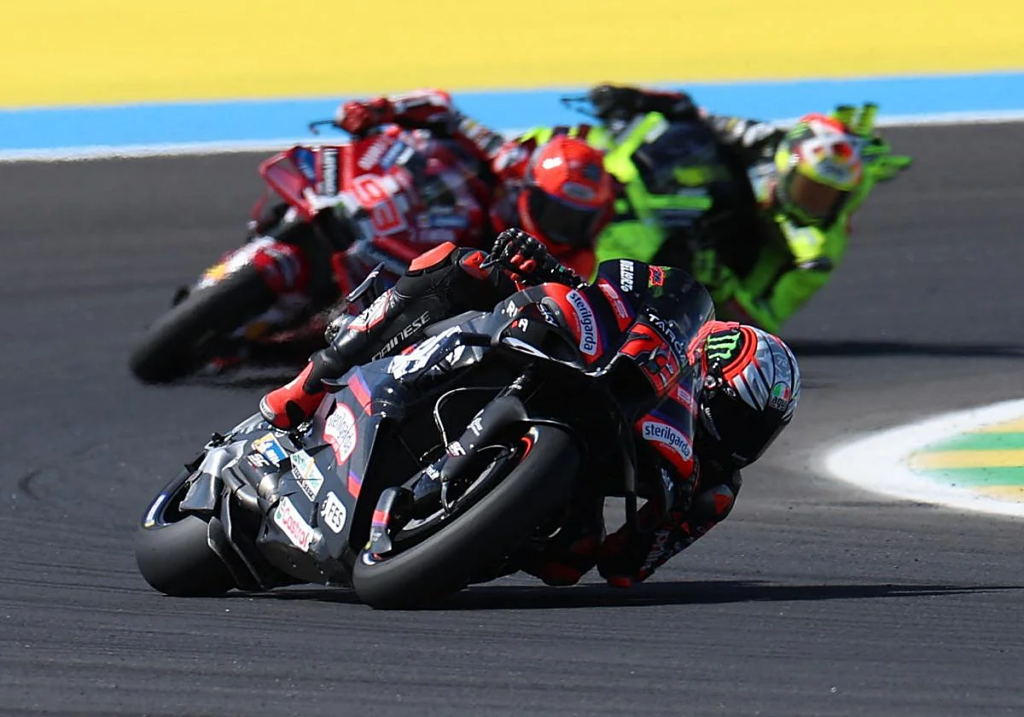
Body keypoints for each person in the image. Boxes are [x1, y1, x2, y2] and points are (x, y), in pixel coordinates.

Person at [259, 228, 802, 588]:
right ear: (706, 371)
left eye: (758, 432)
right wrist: (548, 268)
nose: (741, 441)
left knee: (569, 560)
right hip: (558, 356)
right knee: (460, 265)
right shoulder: (669, 348)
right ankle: (308, 385)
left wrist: (665, 518)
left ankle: (448, 545)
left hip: (579, 466)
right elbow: (614, 288)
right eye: (738, 417)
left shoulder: (713, 490)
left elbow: (624, 568)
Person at [584, 84, 913, 335]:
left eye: (828, 196)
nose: (811, 202)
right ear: (787, 165)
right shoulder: (765, 143)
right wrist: (640, 101)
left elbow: (766, 322)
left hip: (737, 272)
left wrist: (719, 280)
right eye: (808, 188)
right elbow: (696, 114)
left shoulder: (816, 253)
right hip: (714, 213)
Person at [329, 89, 615, 278]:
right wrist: (380, 109)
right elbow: (442, 107)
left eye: (576, 220)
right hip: (402, 210)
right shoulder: (511, 160)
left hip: (439, 290)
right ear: (529, 188)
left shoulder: (572, 263)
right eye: (556, 212)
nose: (562, 228)